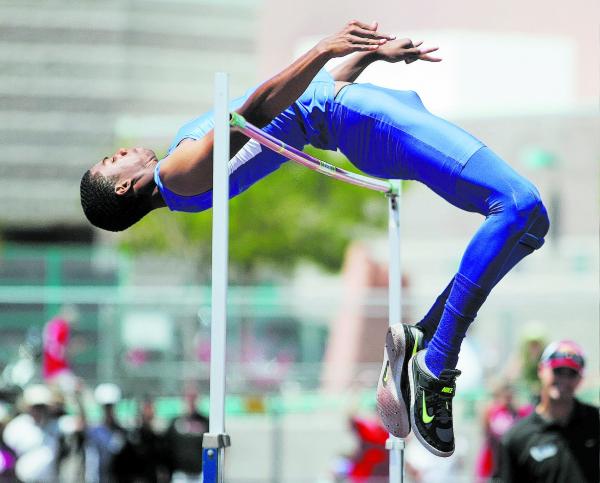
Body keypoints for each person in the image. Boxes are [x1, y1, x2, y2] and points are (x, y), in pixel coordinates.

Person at [80, 20, 550, 457]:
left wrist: (365, 59)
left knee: (530, 224)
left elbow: (295, 111)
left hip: (349, 113)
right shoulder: (177, 175)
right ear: (123, 187)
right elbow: (258, 113)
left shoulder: (181, 180)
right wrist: (323, 48)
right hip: (356, 117)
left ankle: (424, 336)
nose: (119, 152)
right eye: (112, 160)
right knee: (518, 205)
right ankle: (436, 362)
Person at [498, 340, 599, 483]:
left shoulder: (595, 422)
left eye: (571, 373)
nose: (564, 379)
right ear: (541, 370)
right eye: (558, 371)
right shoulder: (516, 438)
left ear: (580, 379)